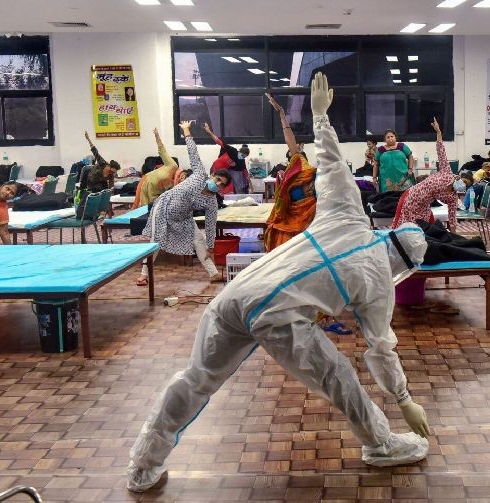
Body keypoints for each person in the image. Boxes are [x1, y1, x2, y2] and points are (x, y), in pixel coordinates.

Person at [127, 73, 431, 493]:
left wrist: (320, 116)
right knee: (341, 378)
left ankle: (143, 464)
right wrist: (403, 399)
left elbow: (332, 163)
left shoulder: (348, 214)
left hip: (238, 293)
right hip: (280, 316)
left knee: (196, 378)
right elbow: (381, 348)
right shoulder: (380, 286)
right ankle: (380, 443)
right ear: (402, 265)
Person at [136, 121, 230, 286]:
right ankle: (144, 275)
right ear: (212, 175)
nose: (218, 184)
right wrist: (186, 131)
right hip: (163, 208)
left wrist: (211, 246)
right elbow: (193, 152)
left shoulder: (211, 202)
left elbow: (210, 224)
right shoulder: (200, 174)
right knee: (155, 242)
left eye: (222, 184)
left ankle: (213, 273)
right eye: (218, 180)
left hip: (184, 217)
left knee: (199, 241)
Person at [263, 93, 317, 252]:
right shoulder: (291, 177)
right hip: (289, 220)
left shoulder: (316, 176)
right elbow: (289, 139)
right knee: (280, 242)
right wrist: (281, 114)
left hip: (309, 223)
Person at [392, 117, 460, 233]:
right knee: (402, 232)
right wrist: (438, 132)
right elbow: (440, 150)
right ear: (458, 177)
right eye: (464, 180)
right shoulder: (447, 172)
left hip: (423, 208)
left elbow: (452, 219)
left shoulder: (453, 197)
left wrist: (455, 239)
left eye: (466, 184)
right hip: (410, 199)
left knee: (428, 234)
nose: (463, 183)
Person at [132, 128, 178, 209]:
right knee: (145, 210)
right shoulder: (173, 165)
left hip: (157, 193)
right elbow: (162, 150)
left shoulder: (178, 184)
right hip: (148, 184)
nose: (182, 178)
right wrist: (157, 136)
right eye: (182, 177)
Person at [203, 123, 251, 194]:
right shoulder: (232, 150)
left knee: (224, 189)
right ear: (239, 151)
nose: (243, 157)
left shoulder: (241, 161)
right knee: (212, 185)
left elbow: (245, 171)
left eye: (244, 157)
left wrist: (250, 183)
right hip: (215, 168)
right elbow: (218, 141)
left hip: (224, 173)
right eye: (243, 155)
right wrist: (209, 132)